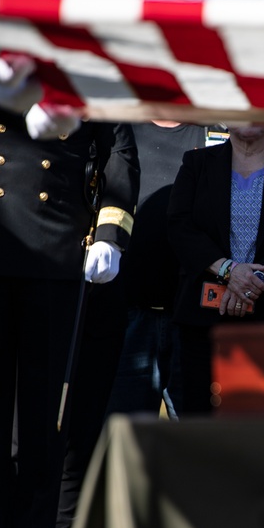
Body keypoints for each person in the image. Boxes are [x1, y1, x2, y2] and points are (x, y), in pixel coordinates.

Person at [0, 101, 138, 528]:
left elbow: (120, 155)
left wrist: (110, 235)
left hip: (56, 243)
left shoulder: (80, 67)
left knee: (44, 408)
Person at [167, 123, 264, 414]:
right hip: (204, 319)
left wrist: (252, 280)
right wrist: (229, 271)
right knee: (201, 421)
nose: (248, 116)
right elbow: (179, 227)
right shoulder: (197, 163)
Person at [104, 121, 214, 419]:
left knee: (198, 442)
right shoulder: (121, 133)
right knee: (127, 439)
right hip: (129, 315)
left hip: (193, 317)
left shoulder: (216, 133)